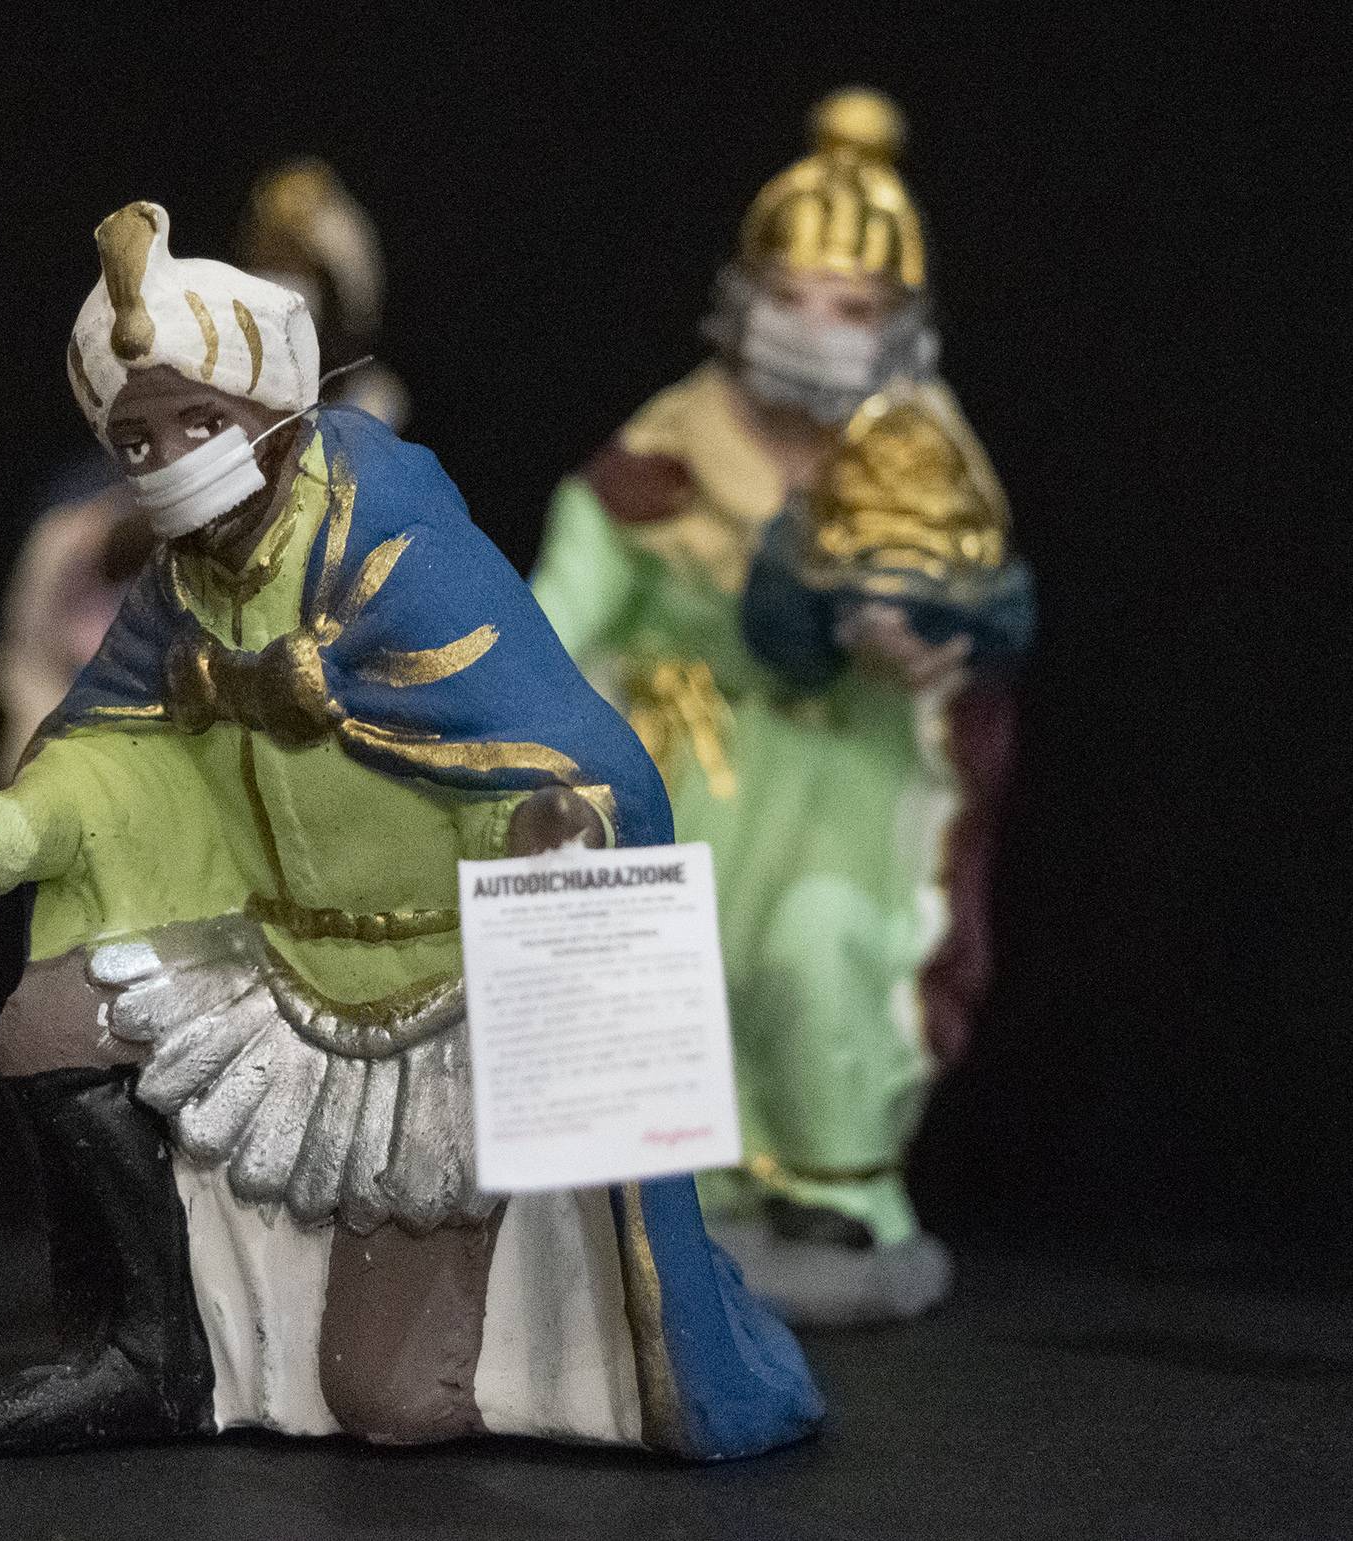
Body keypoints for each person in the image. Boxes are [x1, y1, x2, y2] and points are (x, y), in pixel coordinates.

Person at [0, 202, 820, 1457]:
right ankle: (151, 1352)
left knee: (390, 1401)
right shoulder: (180, 586)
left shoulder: (395, 542)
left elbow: (544, 745)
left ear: (271, 408)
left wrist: (547, 838)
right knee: (52, 1024)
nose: (166, 457)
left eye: (196, 422)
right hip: (275, 960)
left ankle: (548, 1335)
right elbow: (121, 772)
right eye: (136, 437)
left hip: (439, 1001)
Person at [528, 88, 1032, 1324]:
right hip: (681, 760)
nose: (816, 329)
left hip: (851, 769)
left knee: (819, 946)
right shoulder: (661, 452)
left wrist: (938, 640)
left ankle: (834, 1191)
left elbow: (990, 601)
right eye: (793, 297)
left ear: (894, 324)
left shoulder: (923, 458)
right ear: (745, 298)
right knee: (679, 952)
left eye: (850, 308)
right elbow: (559, 610)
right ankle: (684, 1195)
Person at [0, 159, 408, 777]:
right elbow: (66, 593)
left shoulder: (377, 447)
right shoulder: (155, 445)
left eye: (303, 279)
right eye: (265, 270)